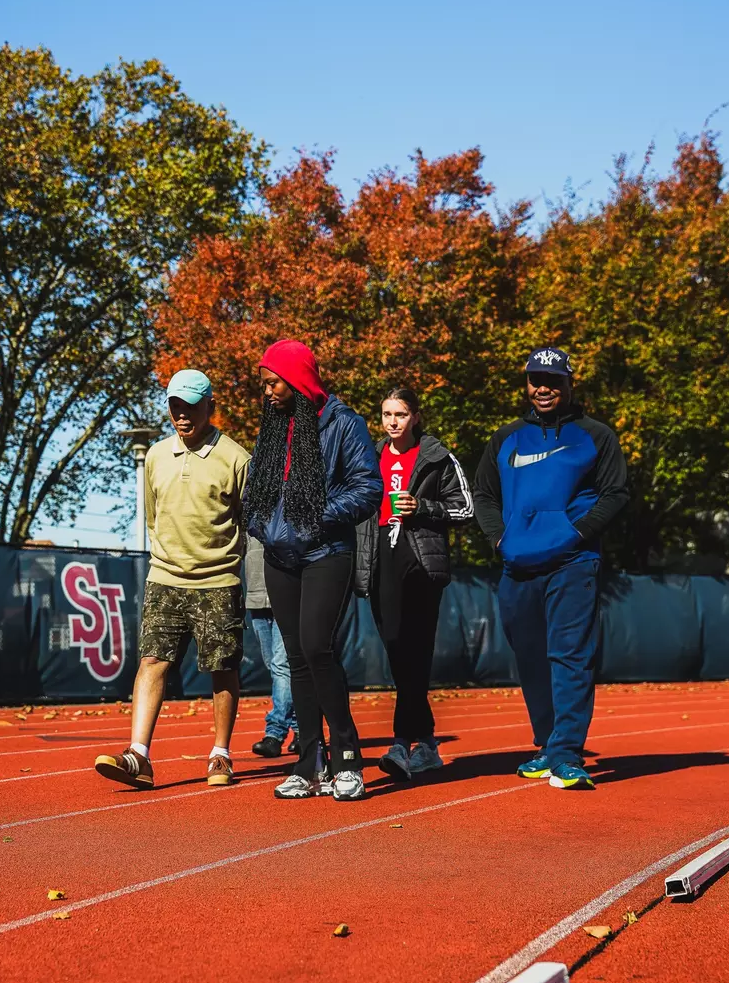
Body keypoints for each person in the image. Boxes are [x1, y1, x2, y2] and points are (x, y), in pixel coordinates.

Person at [473, 347, 628, 790]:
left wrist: (576, 535)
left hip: (573, 562)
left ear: (568, 384)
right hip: (517, 563)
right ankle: (547, 744)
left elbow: (616, 494)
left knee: (570, 656)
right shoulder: (506, 438)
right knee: (530, 658)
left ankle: (566, 754)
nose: (542, 388)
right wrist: (499, 538)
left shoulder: (596, 436)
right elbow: (483, 495)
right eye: (535, 380)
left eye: (552, 380)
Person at [94, 369, 250, 789]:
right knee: (151, 662)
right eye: (175, 407)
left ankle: (220, 755)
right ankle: (139, 756)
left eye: (191, 407)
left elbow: (248, 521)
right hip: (164, 578)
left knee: (222, 669)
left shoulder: (237, 459)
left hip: (218, 581)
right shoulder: (158, 456)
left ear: (210, 407)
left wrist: (232, 567)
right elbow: (153, 516)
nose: (182, 416)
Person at [244, 340, 382, 801]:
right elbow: (257, 490)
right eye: (264, 383)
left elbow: (368, 488)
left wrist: (316, 518)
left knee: (316, 648)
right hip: (280, 556)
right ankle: (309, 762)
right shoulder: (273, 426)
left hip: (326, 552)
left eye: (272, 382)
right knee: (296, 658)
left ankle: (346, 757)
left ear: (297, 379)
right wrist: (264, 526)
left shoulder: (343, 424)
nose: (267, 392)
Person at [355, 387, 474, 782]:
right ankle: (426, 742)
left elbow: (465, 507)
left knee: (415, 651)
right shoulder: (368, 456)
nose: (393, 421)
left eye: (401, 414)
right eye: (387, 413)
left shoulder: (437, 457)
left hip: (421, 558)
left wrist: (422, 507)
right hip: (380, 557)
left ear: (416, 417)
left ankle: (402, 743)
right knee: (396, 649)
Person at [243, 534, 300, 758]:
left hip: (286, 593)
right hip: (256, 596)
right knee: (274, 666)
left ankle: (274, 733)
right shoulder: (247, 506)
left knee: (280, 665)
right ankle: (301, 730)